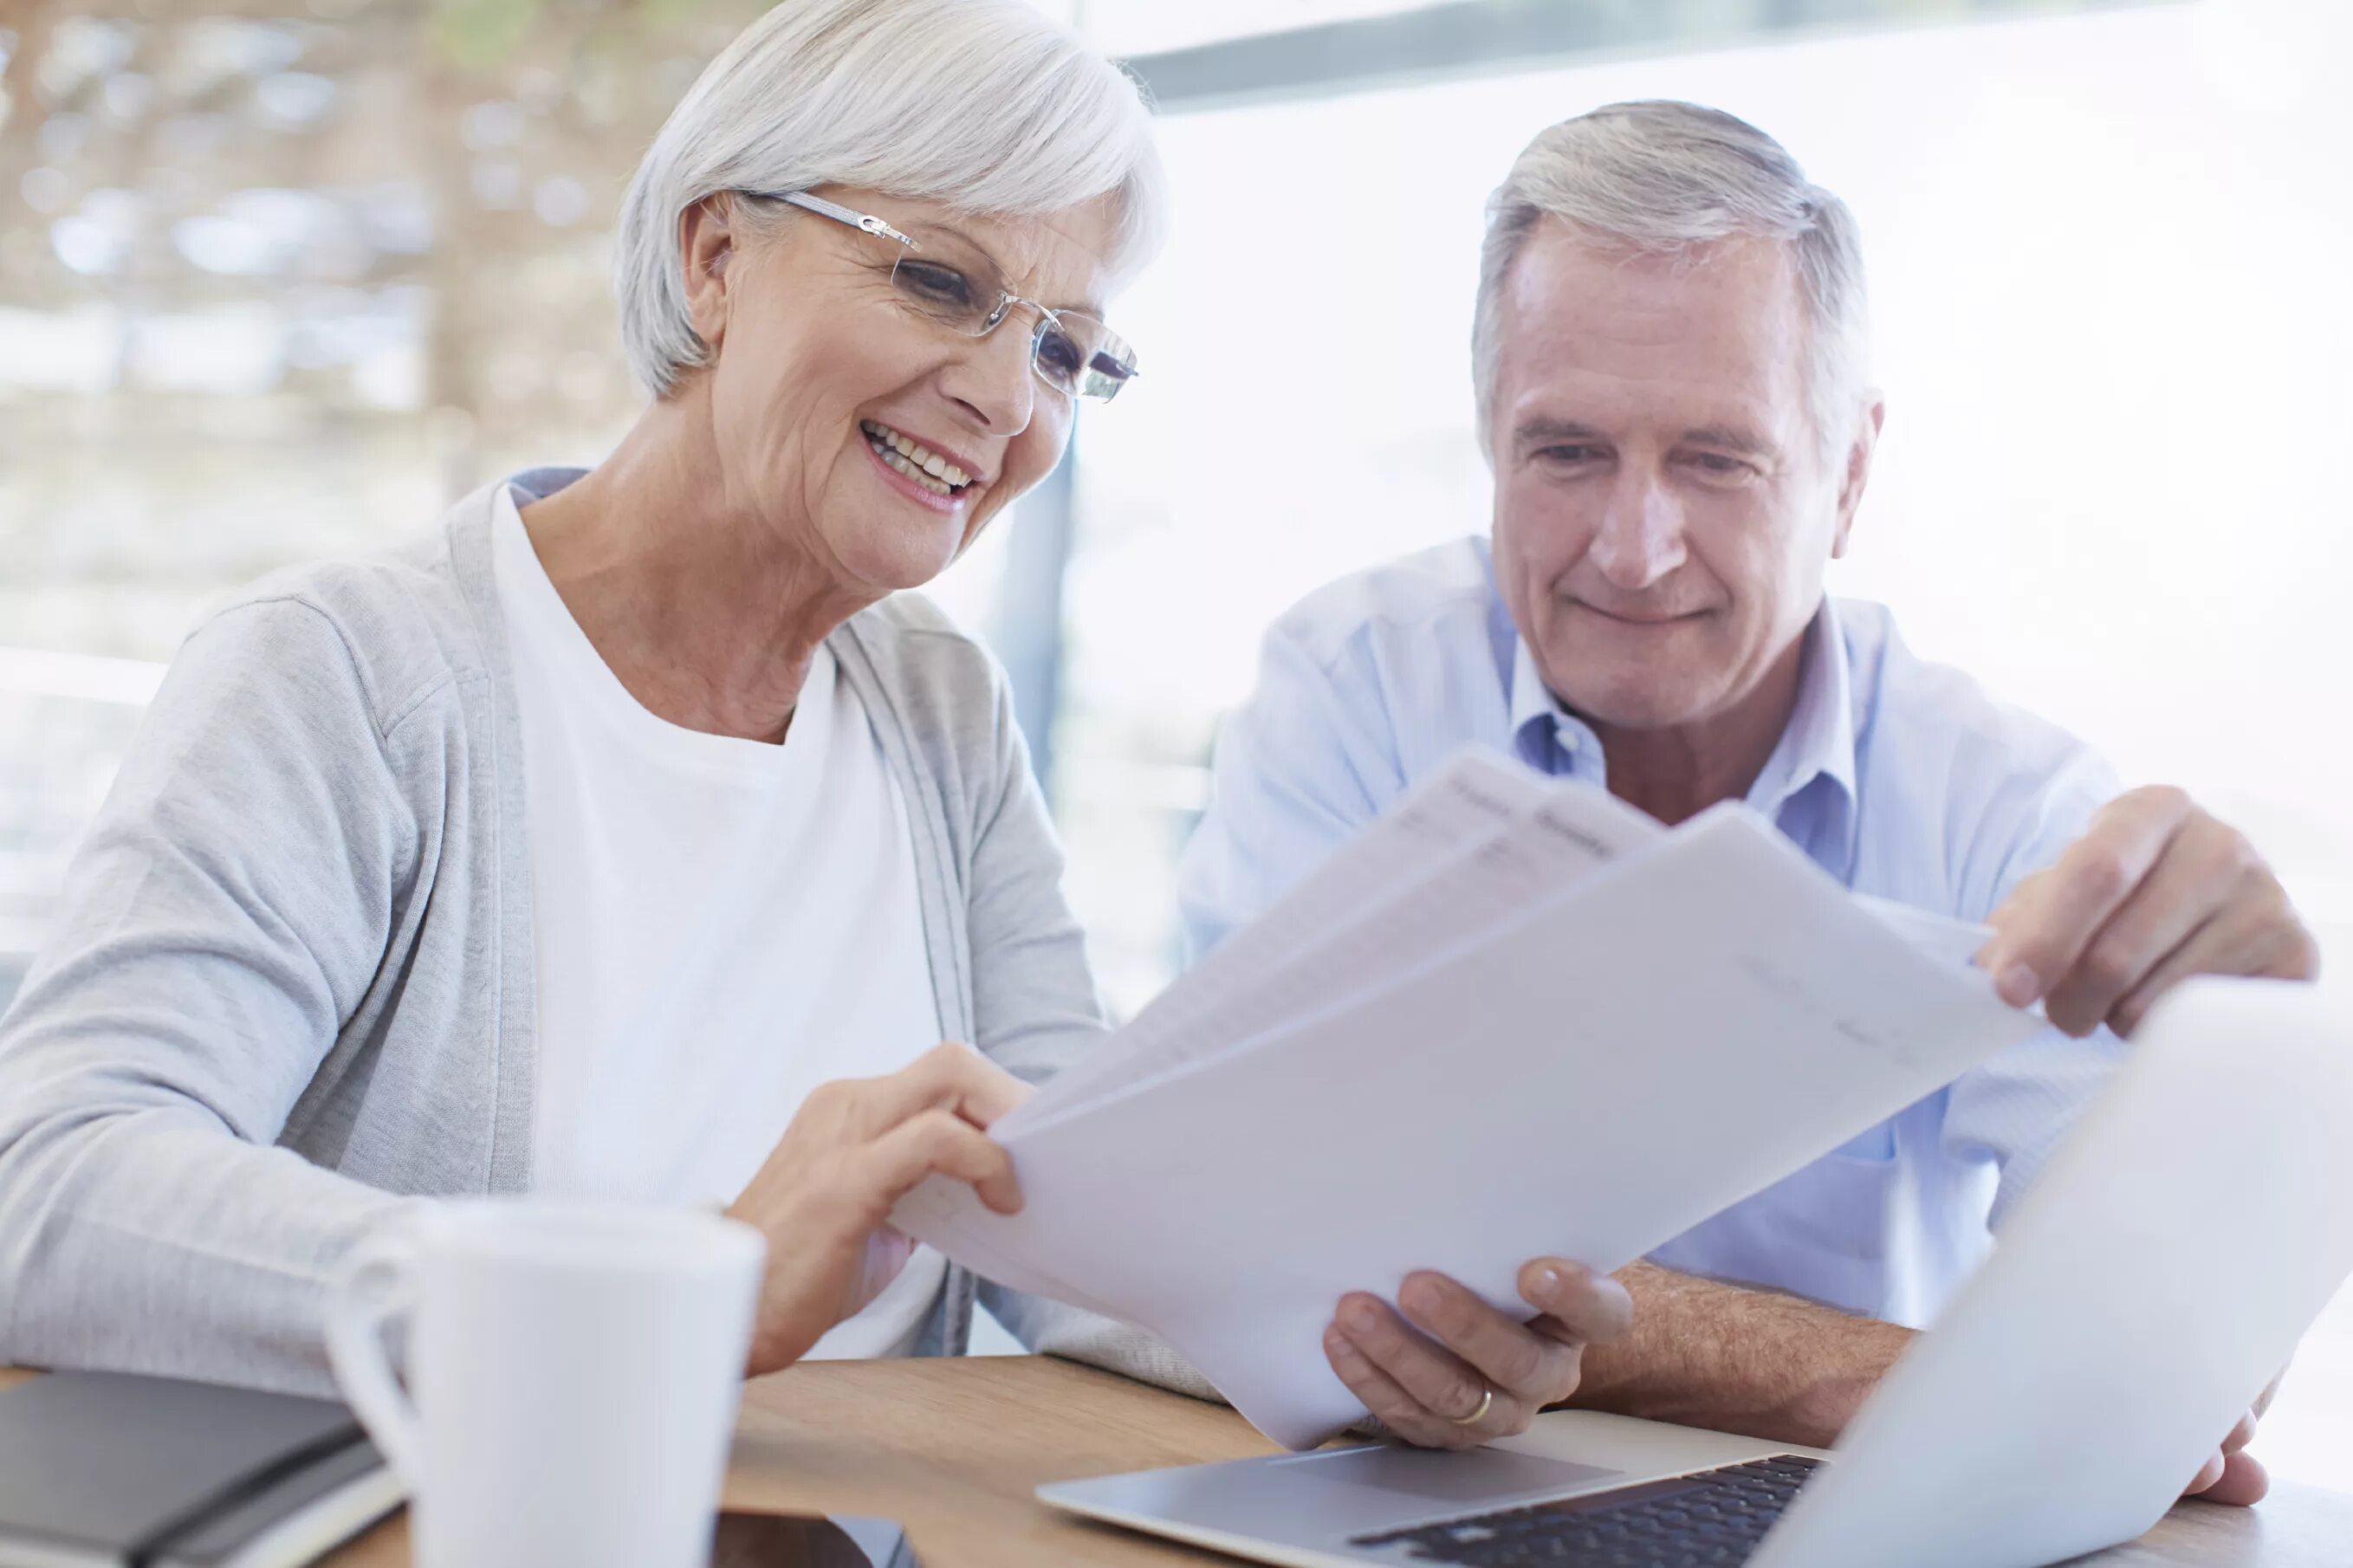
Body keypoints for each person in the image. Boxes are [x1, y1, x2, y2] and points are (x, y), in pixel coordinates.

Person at [0, 0, 1248, 1395]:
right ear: (715, 258)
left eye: (1067, 352)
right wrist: (681, 1295)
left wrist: (1401, 1327)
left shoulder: (940, 710)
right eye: (943, 286)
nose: (1011, 399)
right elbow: (52, 1188)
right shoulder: (350, 669)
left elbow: (1067, 1203)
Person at [1176, 101, 2317, 1491]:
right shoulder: (1354, 692)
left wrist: (2242, 1082)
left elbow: (2177, 1384)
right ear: (1490, 443)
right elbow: (1257, 1232)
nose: (1635, 551)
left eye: (1717, 461)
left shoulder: (2005, 805)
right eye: (1566, 451)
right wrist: (1861, 1371)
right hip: (1404, 1499)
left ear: (1846, 477)